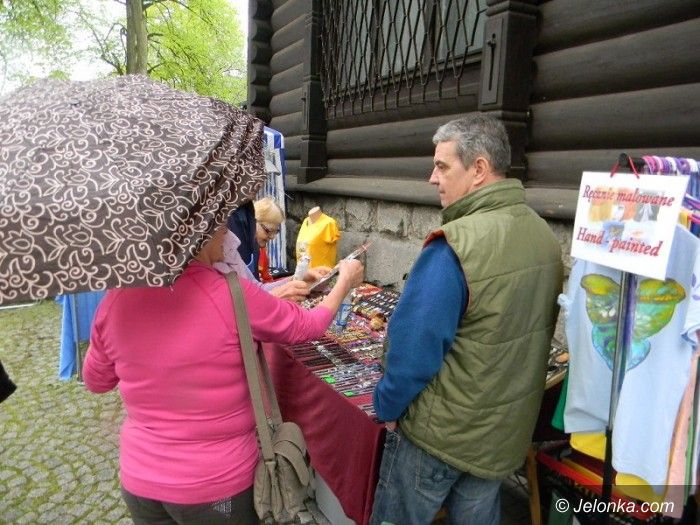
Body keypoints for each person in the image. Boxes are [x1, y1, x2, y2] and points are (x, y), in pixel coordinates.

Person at [82, 224, 364, 525]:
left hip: (141, 482)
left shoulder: (116, 298)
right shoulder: (230, 293)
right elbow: (307, 326)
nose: (228, 234)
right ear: (197, 233)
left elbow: (96, 381)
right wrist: (343, 283)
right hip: (216, 489)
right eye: (220, 225)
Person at [370, 113, 563, 525]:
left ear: (478, 169)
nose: (432, 178)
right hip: (499, 436)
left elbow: (412, 352)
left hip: (438, 438)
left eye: (442, 166)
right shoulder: (544, 237)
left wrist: (386, 404)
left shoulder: (453, 247)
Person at [216, 198, 327, 303]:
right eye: (268, 231)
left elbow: (257, 287)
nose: (272, 237)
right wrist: (275, 295)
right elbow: (235, 304)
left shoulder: (239, 251)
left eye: (276, 232)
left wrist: (297, 278)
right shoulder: (228, 253)